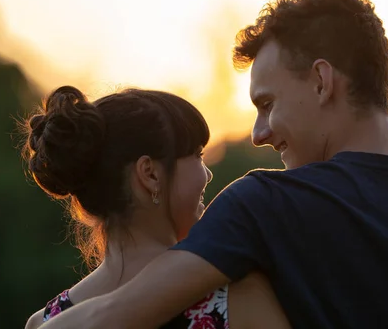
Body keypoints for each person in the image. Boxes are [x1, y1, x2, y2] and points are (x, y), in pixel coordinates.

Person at [40, 0, 388, 328]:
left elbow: (115, 314)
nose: (258, 134)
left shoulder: (264, 206)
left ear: (323, 82)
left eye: (267, 104)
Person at [22, 86, 290, 328]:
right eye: (197, 155)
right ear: (149, 174)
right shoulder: (238, 299)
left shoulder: (47, 322)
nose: (207, 174)